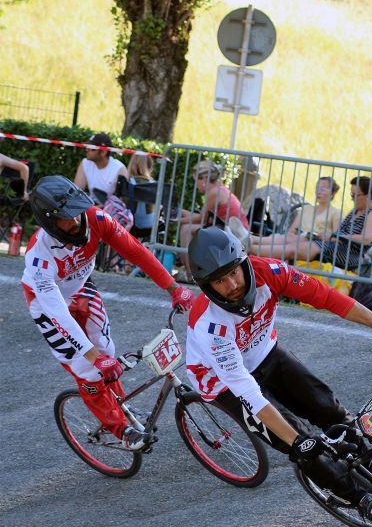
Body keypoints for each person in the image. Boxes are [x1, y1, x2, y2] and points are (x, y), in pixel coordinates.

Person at [186, 227, 372, 522]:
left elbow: (326, 297)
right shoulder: (209, 325)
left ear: (244, 262)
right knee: (302, 444)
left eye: (235, 272)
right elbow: (249, 393)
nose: (232, 284)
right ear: (207, 286)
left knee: (327, 406)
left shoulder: (271, 271)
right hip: (224, 382)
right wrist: (297, 441)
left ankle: (367, 459)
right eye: (219, 281)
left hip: (265, 351)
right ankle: (359, 497)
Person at [22, 175, 194, 452]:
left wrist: (172, 287)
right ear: (50, 222)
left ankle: (121, 408)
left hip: (80, 287)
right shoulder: (39, 255)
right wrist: (91, 356)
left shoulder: (96, 218)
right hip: (47, 303)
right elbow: (57, 314)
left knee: (108, 352)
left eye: (77, 211)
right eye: (67, 218)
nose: (77, 220)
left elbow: (136, 252)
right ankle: (121, 430)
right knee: (87, 368)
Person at [234, 176, 342, 261]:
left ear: (332, 193)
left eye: (323, 188)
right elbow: (291, 231)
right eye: (317, 187)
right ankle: (250, 240)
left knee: (292, 239)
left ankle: (249, 240)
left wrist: (319, 236)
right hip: (296, 239)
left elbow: (336, 238)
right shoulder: (306, 209)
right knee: (289, 237)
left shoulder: (336, 213)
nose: (319, 191)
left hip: (316, 245)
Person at [179, 160, 250, 282]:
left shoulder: (213, 192)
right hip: (231, 230)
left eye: (196, 180)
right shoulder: (218, 189)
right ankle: (190, 272)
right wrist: (183, 213)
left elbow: (201, 219)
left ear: (205, 179)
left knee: (186, 229)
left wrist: (178, 219)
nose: (196, 185)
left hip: (234, 234)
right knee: (188, 226)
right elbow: (203, 216)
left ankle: (190, 274)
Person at [289, 175, 372, 269]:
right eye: (351, 195)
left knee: (294, 250)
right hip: (335, 247)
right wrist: (327, 236)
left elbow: (366, 238)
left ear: (368, 195)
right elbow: (339, 233)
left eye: (355, 195)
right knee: (294, 245)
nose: (352, 199)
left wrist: (336, 237)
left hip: (349, 255)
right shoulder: (354, 212)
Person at [73, 133, 127, 204]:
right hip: (92, 205)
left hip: (110, 210)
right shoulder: (85, 163)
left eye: (91, 148)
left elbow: (122, 201)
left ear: (103, 152)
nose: (87, 149)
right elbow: (76, 191)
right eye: (87, 146)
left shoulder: (119, 169)